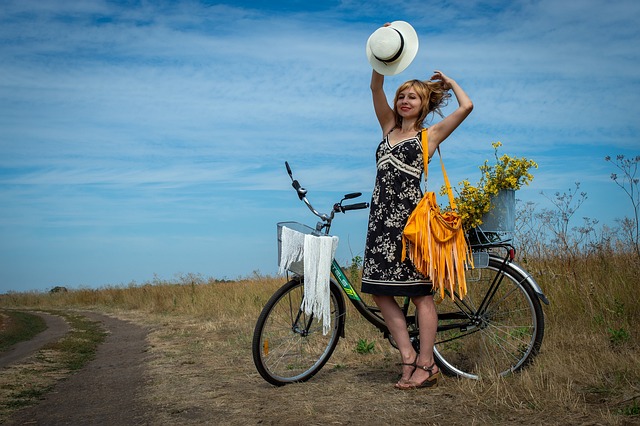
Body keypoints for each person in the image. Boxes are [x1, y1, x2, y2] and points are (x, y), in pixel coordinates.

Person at [361, 66, 473, 389]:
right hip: (380, 225)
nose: (405, 100)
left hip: (412, 228)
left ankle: (427, 364)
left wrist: (450, 82)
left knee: (421, 295)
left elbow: (466, 107)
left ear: (424, 105)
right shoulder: (386, 127)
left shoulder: (429, 136)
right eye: (402, 96)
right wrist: (380, 56)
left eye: (413, 96)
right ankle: (408, 355)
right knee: (379, 291)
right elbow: (375, 88)